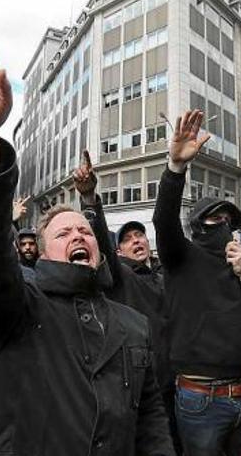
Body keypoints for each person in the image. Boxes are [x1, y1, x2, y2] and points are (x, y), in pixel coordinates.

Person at [0, 33, 174, 455]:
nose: (79, 235)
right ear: (43, 253)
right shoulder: (20, 306)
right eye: (63, 234)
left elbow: (150, 417)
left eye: (84, 231)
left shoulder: (133, 325)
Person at [153, 109, 241, 456]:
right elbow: (164, 220)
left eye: (230, 220)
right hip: (201, 400)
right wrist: (175, 169)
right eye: (216, 219)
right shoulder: (181, 257)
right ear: (200, 226)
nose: (225, 225)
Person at [72, 150, 178, 450]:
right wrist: (90, 199)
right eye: (128, 239)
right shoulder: (121, 277)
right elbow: (101, 242)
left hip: (176, 387)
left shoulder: (162, 276)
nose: (137, 241)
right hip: (141, 387)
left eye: (140, 236)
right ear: (118, 252)